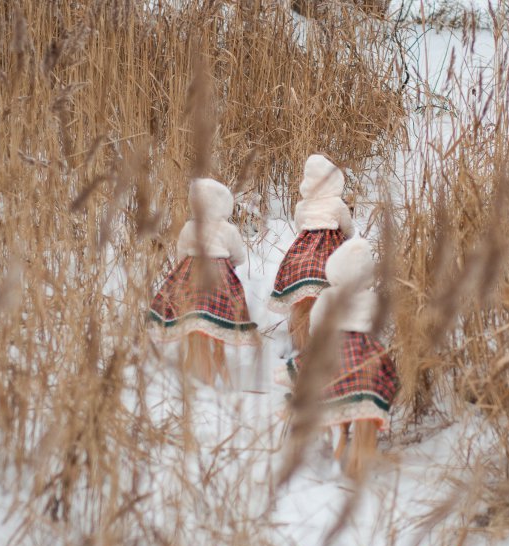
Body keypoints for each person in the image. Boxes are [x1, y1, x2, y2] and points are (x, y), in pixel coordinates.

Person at [277, 237, 398, 479]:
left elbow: (316, 328)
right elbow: (380, 329)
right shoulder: (373, 299)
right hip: (364, 355)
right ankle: (360, 443)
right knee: (381, 384)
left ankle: (337, 435)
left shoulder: (329, 297)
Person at [149, 178, 258, 384]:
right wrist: (229, 266)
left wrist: (184, 270)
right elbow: (239, 257)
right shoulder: (228, 230)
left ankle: (193, 359)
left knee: (192, 315)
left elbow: (181, 253)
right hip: (218, 276)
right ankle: (218, 356)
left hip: (192, 272)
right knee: (217, 317)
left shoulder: (190, 227)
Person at [269, 154, 354, 350]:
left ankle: (301, 337)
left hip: (304, 251)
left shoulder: (302, 205)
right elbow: (348, 229)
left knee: (300, 289)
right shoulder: (337, 204)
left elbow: (300, 227)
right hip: (330, 252)